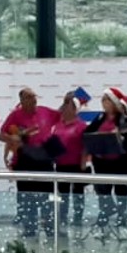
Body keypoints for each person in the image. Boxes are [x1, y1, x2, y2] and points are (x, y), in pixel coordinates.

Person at [0, 87, 55, 238]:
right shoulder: (15, 115)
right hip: (25, 160)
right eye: (29, 97)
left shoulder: (45, 111)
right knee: (27, 197)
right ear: (22, 100)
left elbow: (63, 116)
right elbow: (1, 135)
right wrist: (12, 138)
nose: (34, 99)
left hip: (44, 159)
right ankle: (29, 228)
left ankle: (49, 228)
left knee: (47, 197)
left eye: (34, 96)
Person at [86, 87, 127, 228]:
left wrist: (119, 136)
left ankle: (122, 221)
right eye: (102, 99)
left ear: (114, 102)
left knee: (121, 192)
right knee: (102, 192)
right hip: (102, 162)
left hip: (120, 163)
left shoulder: (123, 119)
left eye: (106, 99)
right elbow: (87, 133)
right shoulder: (100, 117)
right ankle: (103, 220)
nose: (103, 102)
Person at [51, 91, 89, 229]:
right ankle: (62, 218)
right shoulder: (58, 124)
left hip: (76, 164)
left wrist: (83, 163)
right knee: (63, 194)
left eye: (68, 105)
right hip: (61, 164)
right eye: (64, 105)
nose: (64, 108)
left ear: (74, 109)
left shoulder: (81, 125)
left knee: (78, 193)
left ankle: (78, 218)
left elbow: (86, 146)